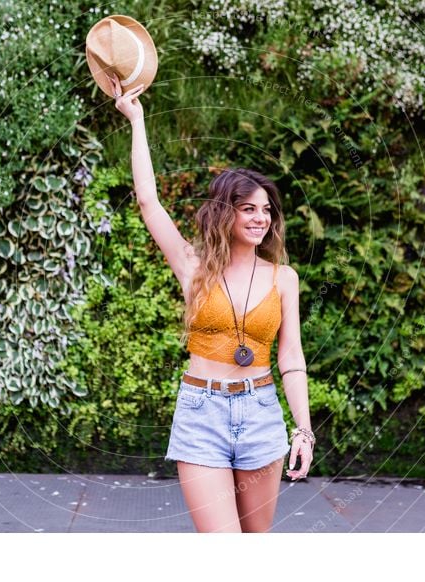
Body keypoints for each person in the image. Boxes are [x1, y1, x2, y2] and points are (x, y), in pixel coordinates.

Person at [109, 74, 313, 533]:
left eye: (267, 210)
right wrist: (137, 119)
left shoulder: (284, 278)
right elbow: (148, 201)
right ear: (226, 212)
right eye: (249, 209)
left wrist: (302, 427)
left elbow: (292, 357)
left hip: (261, 412)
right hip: (202, 413)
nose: (261, 218)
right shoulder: (192, 265)